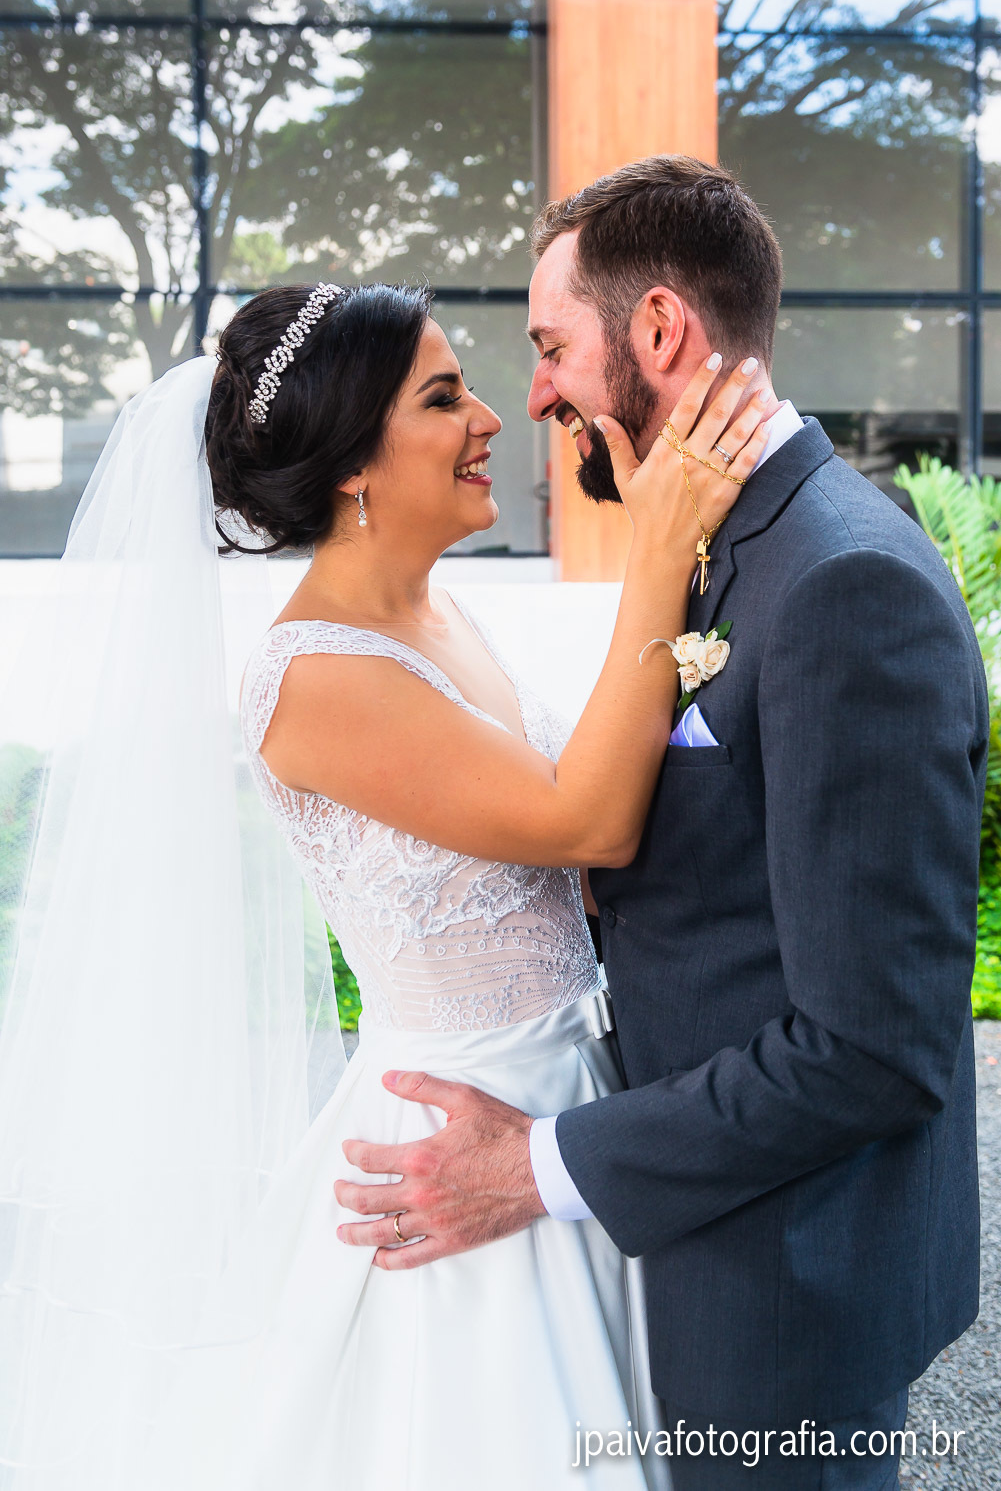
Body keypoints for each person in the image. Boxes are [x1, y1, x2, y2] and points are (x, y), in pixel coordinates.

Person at [0, 274, 768, 1491]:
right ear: (354, 461)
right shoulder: (314, 676)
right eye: (443, 397)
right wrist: (660, 548)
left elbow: (566, 840)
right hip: (457, 1129)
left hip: (571, 1097)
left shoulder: (440, 614)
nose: (491, 420)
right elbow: (584, 821)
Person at [337, 157, 989, 1490]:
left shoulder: (841, 582)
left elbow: (869, 1050)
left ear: (657, 330)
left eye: (549, 348)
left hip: (782, 1293)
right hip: (697, 1243)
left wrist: (534, 1167)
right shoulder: (717, 539)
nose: (534, 397)